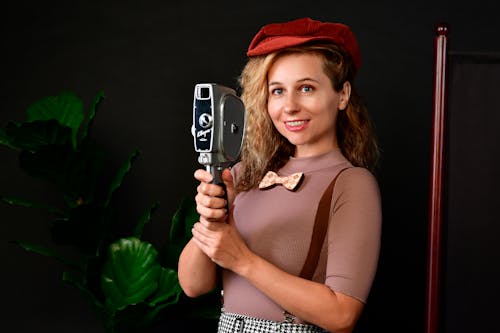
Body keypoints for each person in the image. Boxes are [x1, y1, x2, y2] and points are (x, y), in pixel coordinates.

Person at [178, 17, 382, 333]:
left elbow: (342, 315)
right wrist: (211, 222)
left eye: (306, 88)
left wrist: (242, 260)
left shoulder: (350, 184)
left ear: (342, 95)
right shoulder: (244, 174)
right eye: (277, 91)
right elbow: (193, 285)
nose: (289, 106)